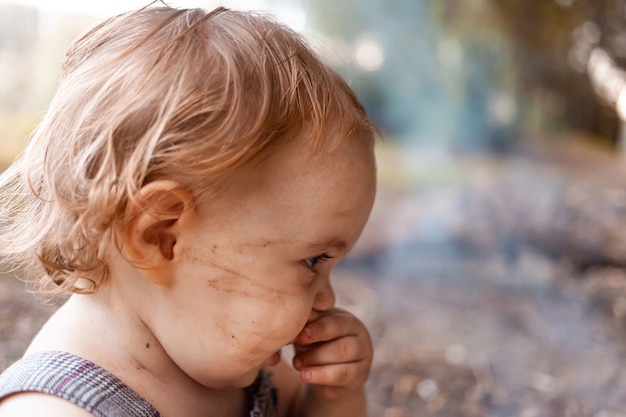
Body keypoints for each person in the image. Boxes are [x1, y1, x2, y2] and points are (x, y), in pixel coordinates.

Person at [0, 3, 378, 417]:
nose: (328, 298)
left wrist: (331, 398)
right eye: (312, 260)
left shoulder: (246, 373)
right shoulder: (57, 409)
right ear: (159, 236)